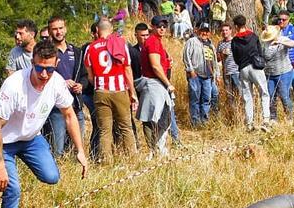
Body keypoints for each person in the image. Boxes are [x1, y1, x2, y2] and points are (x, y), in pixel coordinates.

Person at [0, 38, 88, 208]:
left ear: (56, 64)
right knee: (13, 190)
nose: (44, 74)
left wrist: (80, 150)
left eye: (49, 69)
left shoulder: (56, 82)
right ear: (32, 62)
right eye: (39, 68)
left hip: (29, 138)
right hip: (1, 139)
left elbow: (69, 115)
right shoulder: (13, 86)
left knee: (52, 177)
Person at [84, 17, 137, 162]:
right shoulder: (120, 43)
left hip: (101, 91)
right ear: (111, 29)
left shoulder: (90, 47)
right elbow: (127, 69)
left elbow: (89, 75)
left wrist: (99, 83)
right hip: (119, 90)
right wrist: (132, 92)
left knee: (104, 130)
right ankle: (133, 159)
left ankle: (106, 161)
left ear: (96, 30)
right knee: (126, 127)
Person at [44, 16, 90, 157]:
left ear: (66, 28)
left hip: (76, 105)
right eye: (55, 29)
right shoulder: (46, 53)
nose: (58, 32)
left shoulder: (76, 51)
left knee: (76, 147)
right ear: (50, 31)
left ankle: (75, 174)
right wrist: (62, 82)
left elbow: (85, 75)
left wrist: (81, 85)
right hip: (56, 109)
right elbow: (42, 77)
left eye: (61, 28)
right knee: (57, 149)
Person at [137, 17, 176, 153]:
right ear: (152, 27)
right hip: (154, 83)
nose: (162, 29)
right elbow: (155, 66)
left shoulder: (157, 42)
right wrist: (168, 83)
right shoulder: (152, 42)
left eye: (164, 26)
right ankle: (153, 150)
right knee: (151, 117)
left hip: (158, 83)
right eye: (159, 26)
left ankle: (158, 147)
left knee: (163, 116)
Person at [231, 15, 269, 131]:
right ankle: (266, 120)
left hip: (243, 69)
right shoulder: (253, 36)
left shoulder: (234, 40)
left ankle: (249, 123)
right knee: (264, 93)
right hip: (256, 67)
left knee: (247, 96)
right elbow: (260, 51)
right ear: (245, 24)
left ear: (236, 26)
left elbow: (235, 57)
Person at [260, 24, 294, 121]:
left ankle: (289, 118)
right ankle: (273, 118)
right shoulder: (264, 43)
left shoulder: (282, 39)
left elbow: (293, 44)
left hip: (283, 72)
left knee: (284, 95)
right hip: (269, 73)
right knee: (271, 96)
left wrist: (280, 42)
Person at [183, 22, 215, 126]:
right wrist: (190, 70)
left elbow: (214, 61)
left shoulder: (211, 45)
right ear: (198, 31)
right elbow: (186, 56)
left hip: (208, 76)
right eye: (203, 31)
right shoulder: (192, 41)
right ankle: (195, 122)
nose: (204, 33)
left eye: (207, 31)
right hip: (195, 75)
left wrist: (216, 74)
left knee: (206, 99)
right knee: (195, 99)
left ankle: (204, 120)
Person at [216, 23, 242, 111]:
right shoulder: (220, 43)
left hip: (236, 72)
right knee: (229, 95)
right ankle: (233, 113)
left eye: (226, 30)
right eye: (223, 30)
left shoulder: (236, 41)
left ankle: (242, 112)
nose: (224, 32)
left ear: (231, 31)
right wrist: (222, 54)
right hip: (226, 73)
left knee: (239, 93)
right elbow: (218, 59)